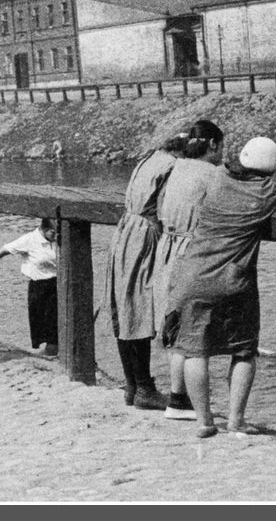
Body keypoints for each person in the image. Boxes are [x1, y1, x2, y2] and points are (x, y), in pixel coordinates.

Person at [166, 137, 276, 438]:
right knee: (243, 350)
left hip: (191, 274)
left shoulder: (217, 177)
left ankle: (204, 421)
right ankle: (236, 420)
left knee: (193, 351)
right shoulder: (267, 191)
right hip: (232, 280)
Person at [105, 133, 188, 411]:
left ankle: (132, 384)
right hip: (144, 235)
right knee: (139, 307)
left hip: (126, 231)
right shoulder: (172, 167)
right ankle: (144, 389)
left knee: (125, 304)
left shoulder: (151, 158)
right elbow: (169, 209)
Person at [152, 120, 225, 420]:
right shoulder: (214, 174)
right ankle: (190, 404)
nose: (222, 153)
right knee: (196, 330)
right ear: (212, 146)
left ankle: (177, 398)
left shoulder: (177, 167)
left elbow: (159, 208)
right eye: (222, 146)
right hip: (192, 251)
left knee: (175, 325)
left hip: (167, 249)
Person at [0, 218, 59, 356]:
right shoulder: (29, 240)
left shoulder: (58, 240)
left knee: (57, 331)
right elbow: (2, 251)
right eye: (53, 233)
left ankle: (54, 353)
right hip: (39, 288)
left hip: (58, 286)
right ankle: (48, 355)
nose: (56, 236)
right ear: (44, 229)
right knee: (44, 331)